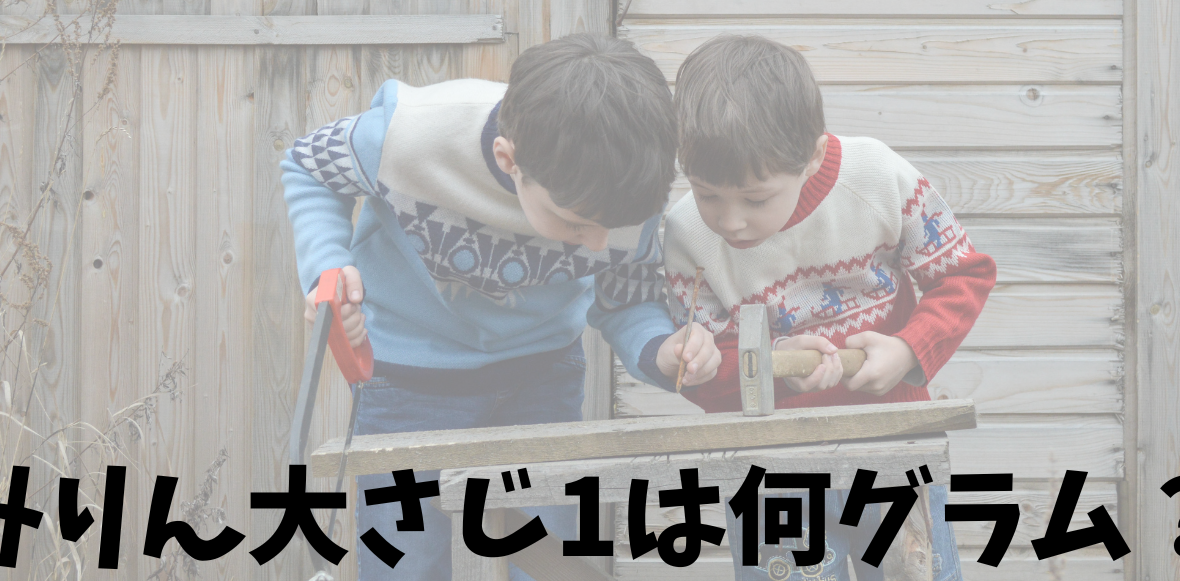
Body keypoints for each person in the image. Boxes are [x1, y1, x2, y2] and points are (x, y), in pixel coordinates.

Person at [280, 33, 719, 580]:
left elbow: (625, 300)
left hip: (541, 379)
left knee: (554, 567)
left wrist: (661, 350)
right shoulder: (411, 137)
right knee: (404, 567)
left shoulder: (631, 186)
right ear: (508, 160)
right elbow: (308, 165)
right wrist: (327, 266)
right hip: (406, 383)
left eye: (613, 228)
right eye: (577, 224)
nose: (598, 244)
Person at [663, 34, 996, 581]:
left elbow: (962, 274)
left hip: (893, 447)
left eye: (755, 198)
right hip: (769, 472)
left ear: (813, 155)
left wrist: (908, 350)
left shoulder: (878, 179)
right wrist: (770, 369)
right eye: (707, 194)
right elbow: (700, 372)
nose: (730, 221)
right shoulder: (685, 235)